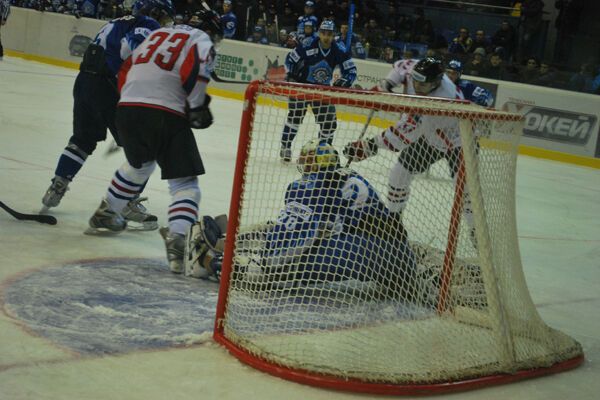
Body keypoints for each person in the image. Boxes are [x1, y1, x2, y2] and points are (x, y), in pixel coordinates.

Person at [185, 139, 417, 300]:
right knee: (283, 231)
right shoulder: (348, 177)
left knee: (271, 268)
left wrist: (265, 264)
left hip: (358, 251)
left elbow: (296, 238)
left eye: (308, 160)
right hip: (399, 259)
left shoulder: (312, 184)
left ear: (319, 163)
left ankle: (206, 260)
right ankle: (229, 240)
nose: (304, 165)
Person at [85, 11, 223, 276]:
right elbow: (196, 68)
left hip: (126, 106)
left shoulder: (157, 33)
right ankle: (178, 241)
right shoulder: (200, 38)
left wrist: (132, 103)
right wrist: (196, 106)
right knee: (185, 184)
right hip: (163, 111)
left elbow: (126, 66)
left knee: (140, 165)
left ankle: (106, 212)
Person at [41, 0, 174, 229]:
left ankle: (59, 183)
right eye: (165, 19)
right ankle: (127, 203)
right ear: (156, 13)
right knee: (145, 149)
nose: (164, 24)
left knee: (83, 139)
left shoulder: (117, 21)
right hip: (107, 87)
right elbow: (128, 49)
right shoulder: (148, 24)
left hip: (84, 81)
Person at [343, 57, 478, 247]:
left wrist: (369, 146)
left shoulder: (441, 99)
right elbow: (402, 65)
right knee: (399, 172)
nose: (416, 85)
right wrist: (387, 83)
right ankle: (394, 221)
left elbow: (403, 136)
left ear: (436, 83)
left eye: (422, 84)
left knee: (466, 192)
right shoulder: (419, 73)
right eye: (414, 80)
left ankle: (477, 235)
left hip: (460, 141)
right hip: (431, 137)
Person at [279, 20, 357, 162]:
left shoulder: (339, 49)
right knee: (295, 117)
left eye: (329, 34)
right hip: (302, 87)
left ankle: (322, 152)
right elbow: (290, 59)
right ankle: (285, 146)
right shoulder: (308, 44)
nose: (326, 37)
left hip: (323, 91)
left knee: (329, 123)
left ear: (334, 35)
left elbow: (351, 70)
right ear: (319, 33)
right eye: (323, 33)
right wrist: (290, 74)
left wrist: (346, 81)